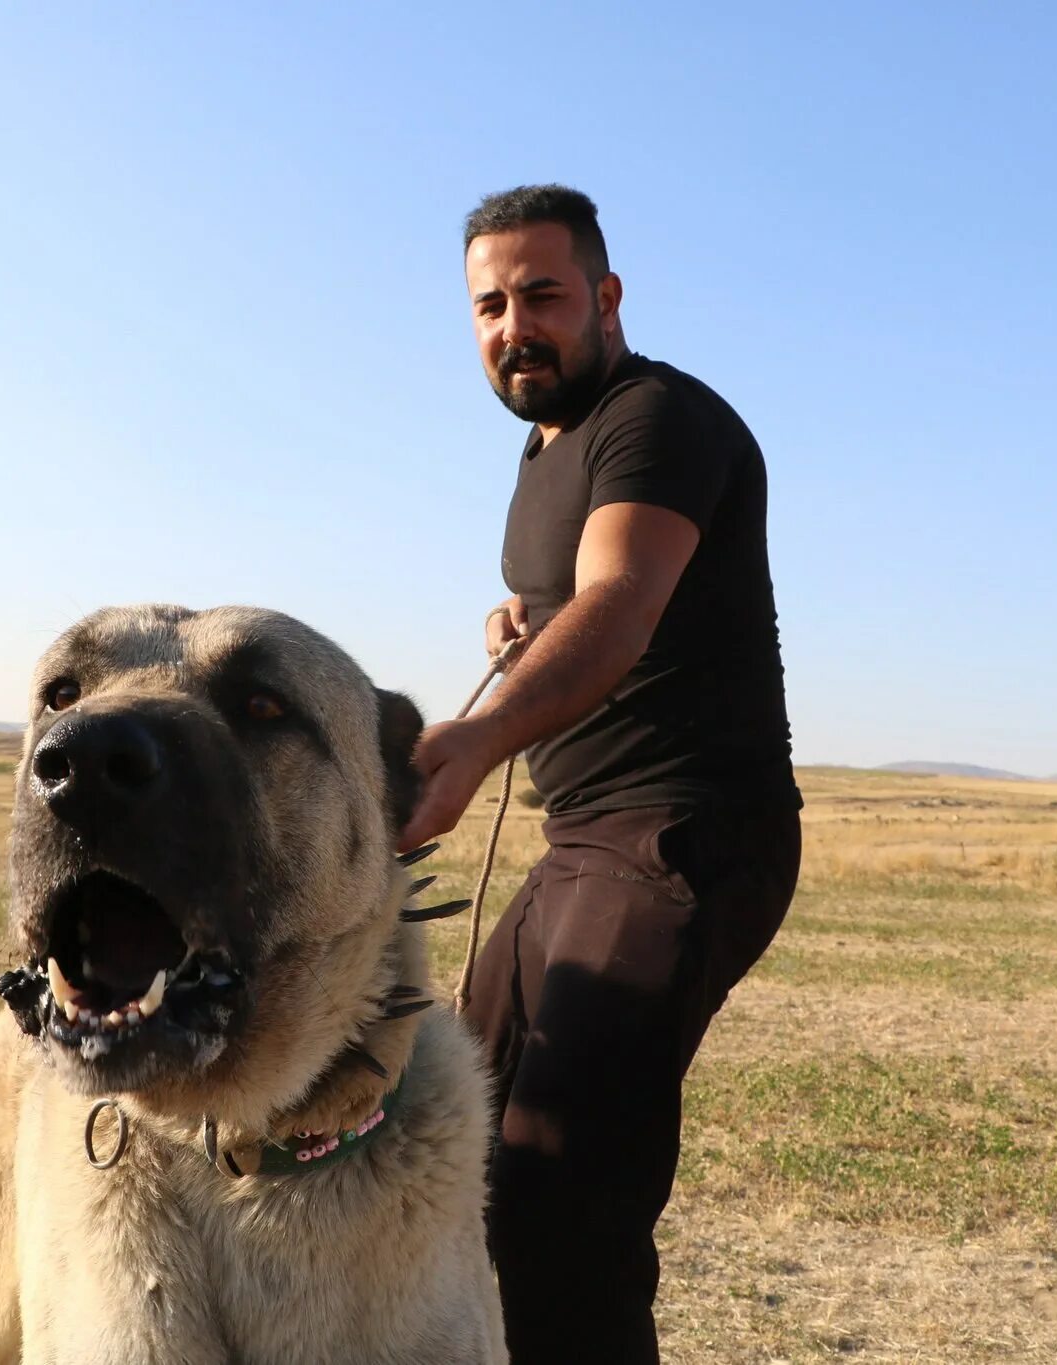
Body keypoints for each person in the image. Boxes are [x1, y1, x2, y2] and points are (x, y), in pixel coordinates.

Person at [398, 184, 802, 1364]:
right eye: (488, 305)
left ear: (605, 297)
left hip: (681, 834)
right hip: (581, 844)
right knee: (451, 1138)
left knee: (560, 1202)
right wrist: (518, 625)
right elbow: (578, 600)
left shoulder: (656, 419)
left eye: (541, 295)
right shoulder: (542, 451)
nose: (512, 326)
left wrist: (473, 740)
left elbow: (621, 601)